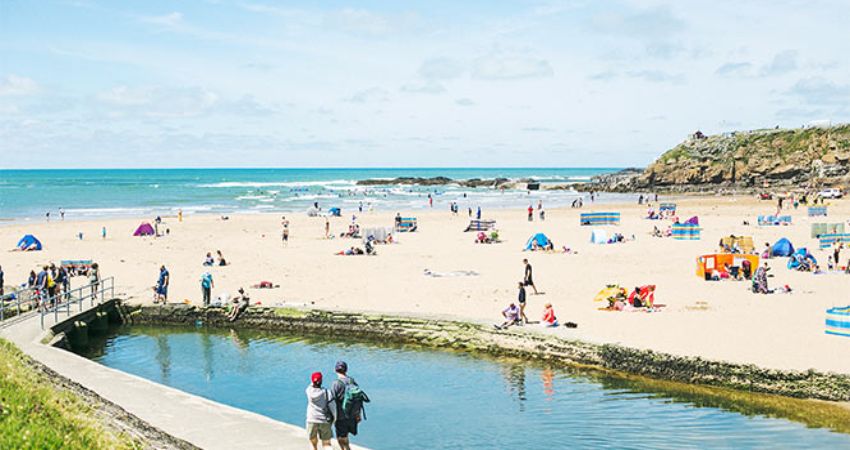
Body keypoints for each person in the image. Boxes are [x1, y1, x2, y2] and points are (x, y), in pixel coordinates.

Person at [331, 361, 368, 450]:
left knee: (341, 437)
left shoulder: (336, 383)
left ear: (335, 370)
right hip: (352, 415)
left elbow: (331, 400)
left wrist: (331, 417)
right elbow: (358, 398)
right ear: (346, 370)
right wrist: (358, 415)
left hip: (341, 416)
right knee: (346, 435)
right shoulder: (352, 381)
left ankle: (346, 448)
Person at [306, 372, 335, 450]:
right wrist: (334, 418)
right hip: (324, 420)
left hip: (312, 419)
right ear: (321, 381)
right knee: (327, 444)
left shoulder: (309, 391)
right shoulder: (327, 392)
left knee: (313, 443)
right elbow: (333, 407)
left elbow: (311, 384)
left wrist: (315, 380)